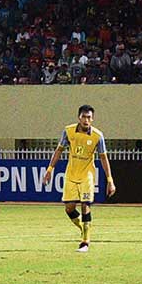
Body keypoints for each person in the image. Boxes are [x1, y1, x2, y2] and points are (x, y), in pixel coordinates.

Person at [43, 104, 116, 252]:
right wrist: (50, 169)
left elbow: (103, 158)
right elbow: (59, 150)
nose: (86, 120)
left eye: (89, 117)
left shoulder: (97, 136)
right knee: (69, 208)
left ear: (92, 119)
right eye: (83, 116)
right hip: (71, 175)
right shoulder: (68, 131)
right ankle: (83, 227)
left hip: (87, 175)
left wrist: (110, 180)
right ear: (79, 117)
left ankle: (85, 242)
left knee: (85, 205)